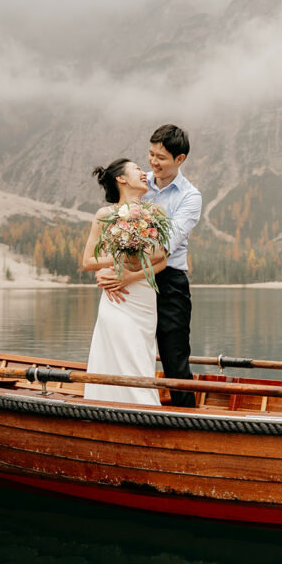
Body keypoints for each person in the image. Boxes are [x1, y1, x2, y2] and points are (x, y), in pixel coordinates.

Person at [96, 125, 202, 407]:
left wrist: (127, 274)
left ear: (180, 160)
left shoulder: (190, 197)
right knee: (131, 351)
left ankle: (188, 422)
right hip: (135, 285)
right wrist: (106, 270)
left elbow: (165, 246)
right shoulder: (140, 183)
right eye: (151, 154)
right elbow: (113, 228)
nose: (153, 163)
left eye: (162, 158)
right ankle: (124, 407)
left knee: (174, 357)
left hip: (169, 283)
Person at [81, 158, 167, 405]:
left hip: (143, 297)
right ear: (121, 178)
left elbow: (162, 260)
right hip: (116, 298)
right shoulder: (105, 215)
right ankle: (107, 406)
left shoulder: (156, 213)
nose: (144, 173)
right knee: (118, 351)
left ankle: (143, 409)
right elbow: (88, 261)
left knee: (141, 354)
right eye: (138, 169)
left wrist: (130, 274)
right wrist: (117, 261)